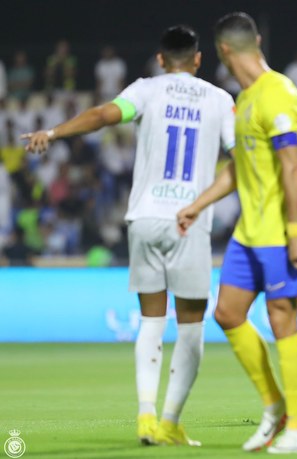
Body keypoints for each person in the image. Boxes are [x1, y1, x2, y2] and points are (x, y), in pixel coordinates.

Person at [22, 25, 236, 447]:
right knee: (191, 328)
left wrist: (54, 132)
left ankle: (145, 415)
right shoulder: (219, 99)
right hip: (188, 220)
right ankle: (171, 421)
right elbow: (241, 159)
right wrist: (206, 197)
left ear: (161, 59)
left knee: (151, 322)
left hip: (145, 217)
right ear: (197, 59)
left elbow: (103, 115)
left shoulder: (146, 90)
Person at [176, 12, 297, 454]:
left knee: (282, 320)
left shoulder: (278, 95)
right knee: (229, 314)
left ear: (222, 52)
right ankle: (274, 404)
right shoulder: (247, 100)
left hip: (282, 232)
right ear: (255, 41)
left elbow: (292, 167)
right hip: (249, 232)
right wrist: (197, 205)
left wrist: (296, 233)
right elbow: (238, 168)